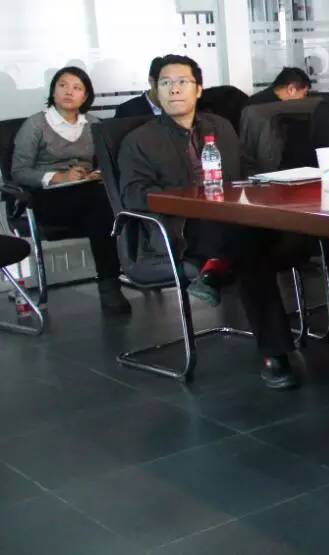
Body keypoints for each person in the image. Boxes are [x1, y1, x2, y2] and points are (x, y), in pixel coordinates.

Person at [118, 55, 306, 389]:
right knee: (251, 251)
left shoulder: (219, 127)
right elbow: (133, 195)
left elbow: (244, 169)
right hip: (181, 228)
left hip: (232, 220)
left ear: (199, 89)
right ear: (156, 90)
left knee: (270, 238)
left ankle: (215, 271)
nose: (174, 89)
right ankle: (274, 353)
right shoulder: (140, 140)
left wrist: (269, 182)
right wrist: (191, 198)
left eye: (183, 82)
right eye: (166, 83)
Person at [10, 66, 129, 314]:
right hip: (46, 199)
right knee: (102, 207)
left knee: (103, 201)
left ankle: (112, 280)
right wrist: (58, 177)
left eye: (76, 88)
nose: (68, 92)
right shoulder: (35, 125)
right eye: (62, 85)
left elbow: (108, 164)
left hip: (87, 196)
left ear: (85, 96)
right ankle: (110, 283)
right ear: (53, 92)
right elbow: (19, 172)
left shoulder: (93, 124)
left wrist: (96, 173)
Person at [246, 67, 312, 106]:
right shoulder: (264, 108)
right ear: (291, 89)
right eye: (304, 94)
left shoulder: (261, 99)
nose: (304, 98)